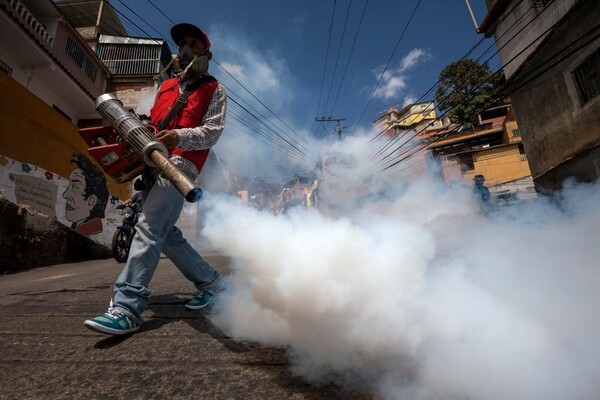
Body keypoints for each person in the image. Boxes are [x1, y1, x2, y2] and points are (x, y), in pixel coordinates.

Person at [85, 23, 227, 335]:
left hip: (181, 166)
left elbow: (213, 131)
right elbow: (153, 123)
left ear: (206, 53)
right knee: (166, 234)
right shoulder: (165, 87)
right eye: (183, 43)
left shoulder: (214, 88)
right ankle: (212, 283)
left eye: (194, 44)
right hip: (151, 166)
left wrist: (178, 136)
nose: (187, 48)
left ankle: (127, 307)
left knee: (149, 229)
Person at [62, 152, 109, 236]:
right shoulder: (78, 228)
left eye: (75, 187)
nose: (65, 195)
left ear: (91, 201)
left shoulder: (88, 233)